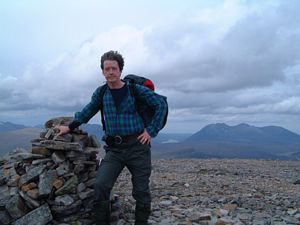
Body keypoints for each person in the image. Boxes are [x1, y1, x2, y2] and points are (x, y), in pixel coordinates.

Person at [56, 50, 168, 225]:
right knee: (101, 186)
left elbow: (161, 103)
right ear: (102, 71)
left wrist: (151, 130)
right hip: (114, 150)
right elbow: (87, 111)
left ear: (120, 70)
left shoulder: (134, 90)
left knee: (141, 191)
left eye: (113, 68)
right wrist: (69, 127)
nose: (110, 72)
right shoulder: (101, 93)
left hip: (138, 147)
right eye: (106, 69)